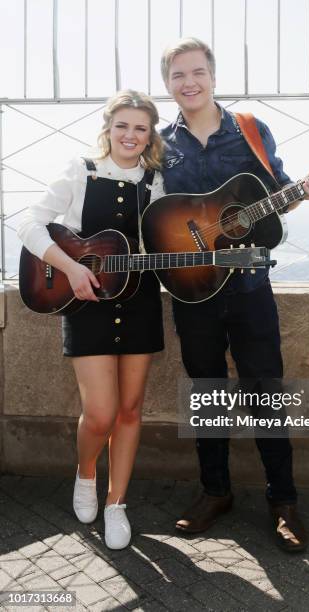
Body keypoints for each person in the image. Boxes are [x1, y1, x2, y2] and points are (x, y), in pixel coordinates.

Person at [159, 38, 309, 552]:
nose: (188, 82)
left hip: (252, 284)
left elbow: (277, 200)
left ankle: (284, 503)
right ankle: (215, 493)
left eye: (197, 72)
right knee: (207, 392)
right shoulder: (161, 144)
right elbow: (157, 214)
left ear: (213, 75)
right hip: (194, 291)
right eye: (177, 75)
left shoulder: (251, 131)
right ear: (168, 83)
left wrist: (305, 191)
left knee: (265, 393)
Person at [18, 90, 165, 550]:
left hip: (139, 301)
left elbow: (162, 243)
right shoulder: (80, 171)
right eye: (122, 125)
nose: (131, 135)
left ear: (150, 135)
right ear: (108, 127)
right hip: (84, 301)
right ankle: (86, 474)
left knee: (129, 410)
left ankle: (116, 503)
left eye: (141, 128)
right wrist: (71, 268)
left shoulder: (156, 182)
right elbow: (28, 224)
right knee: (100, 413)